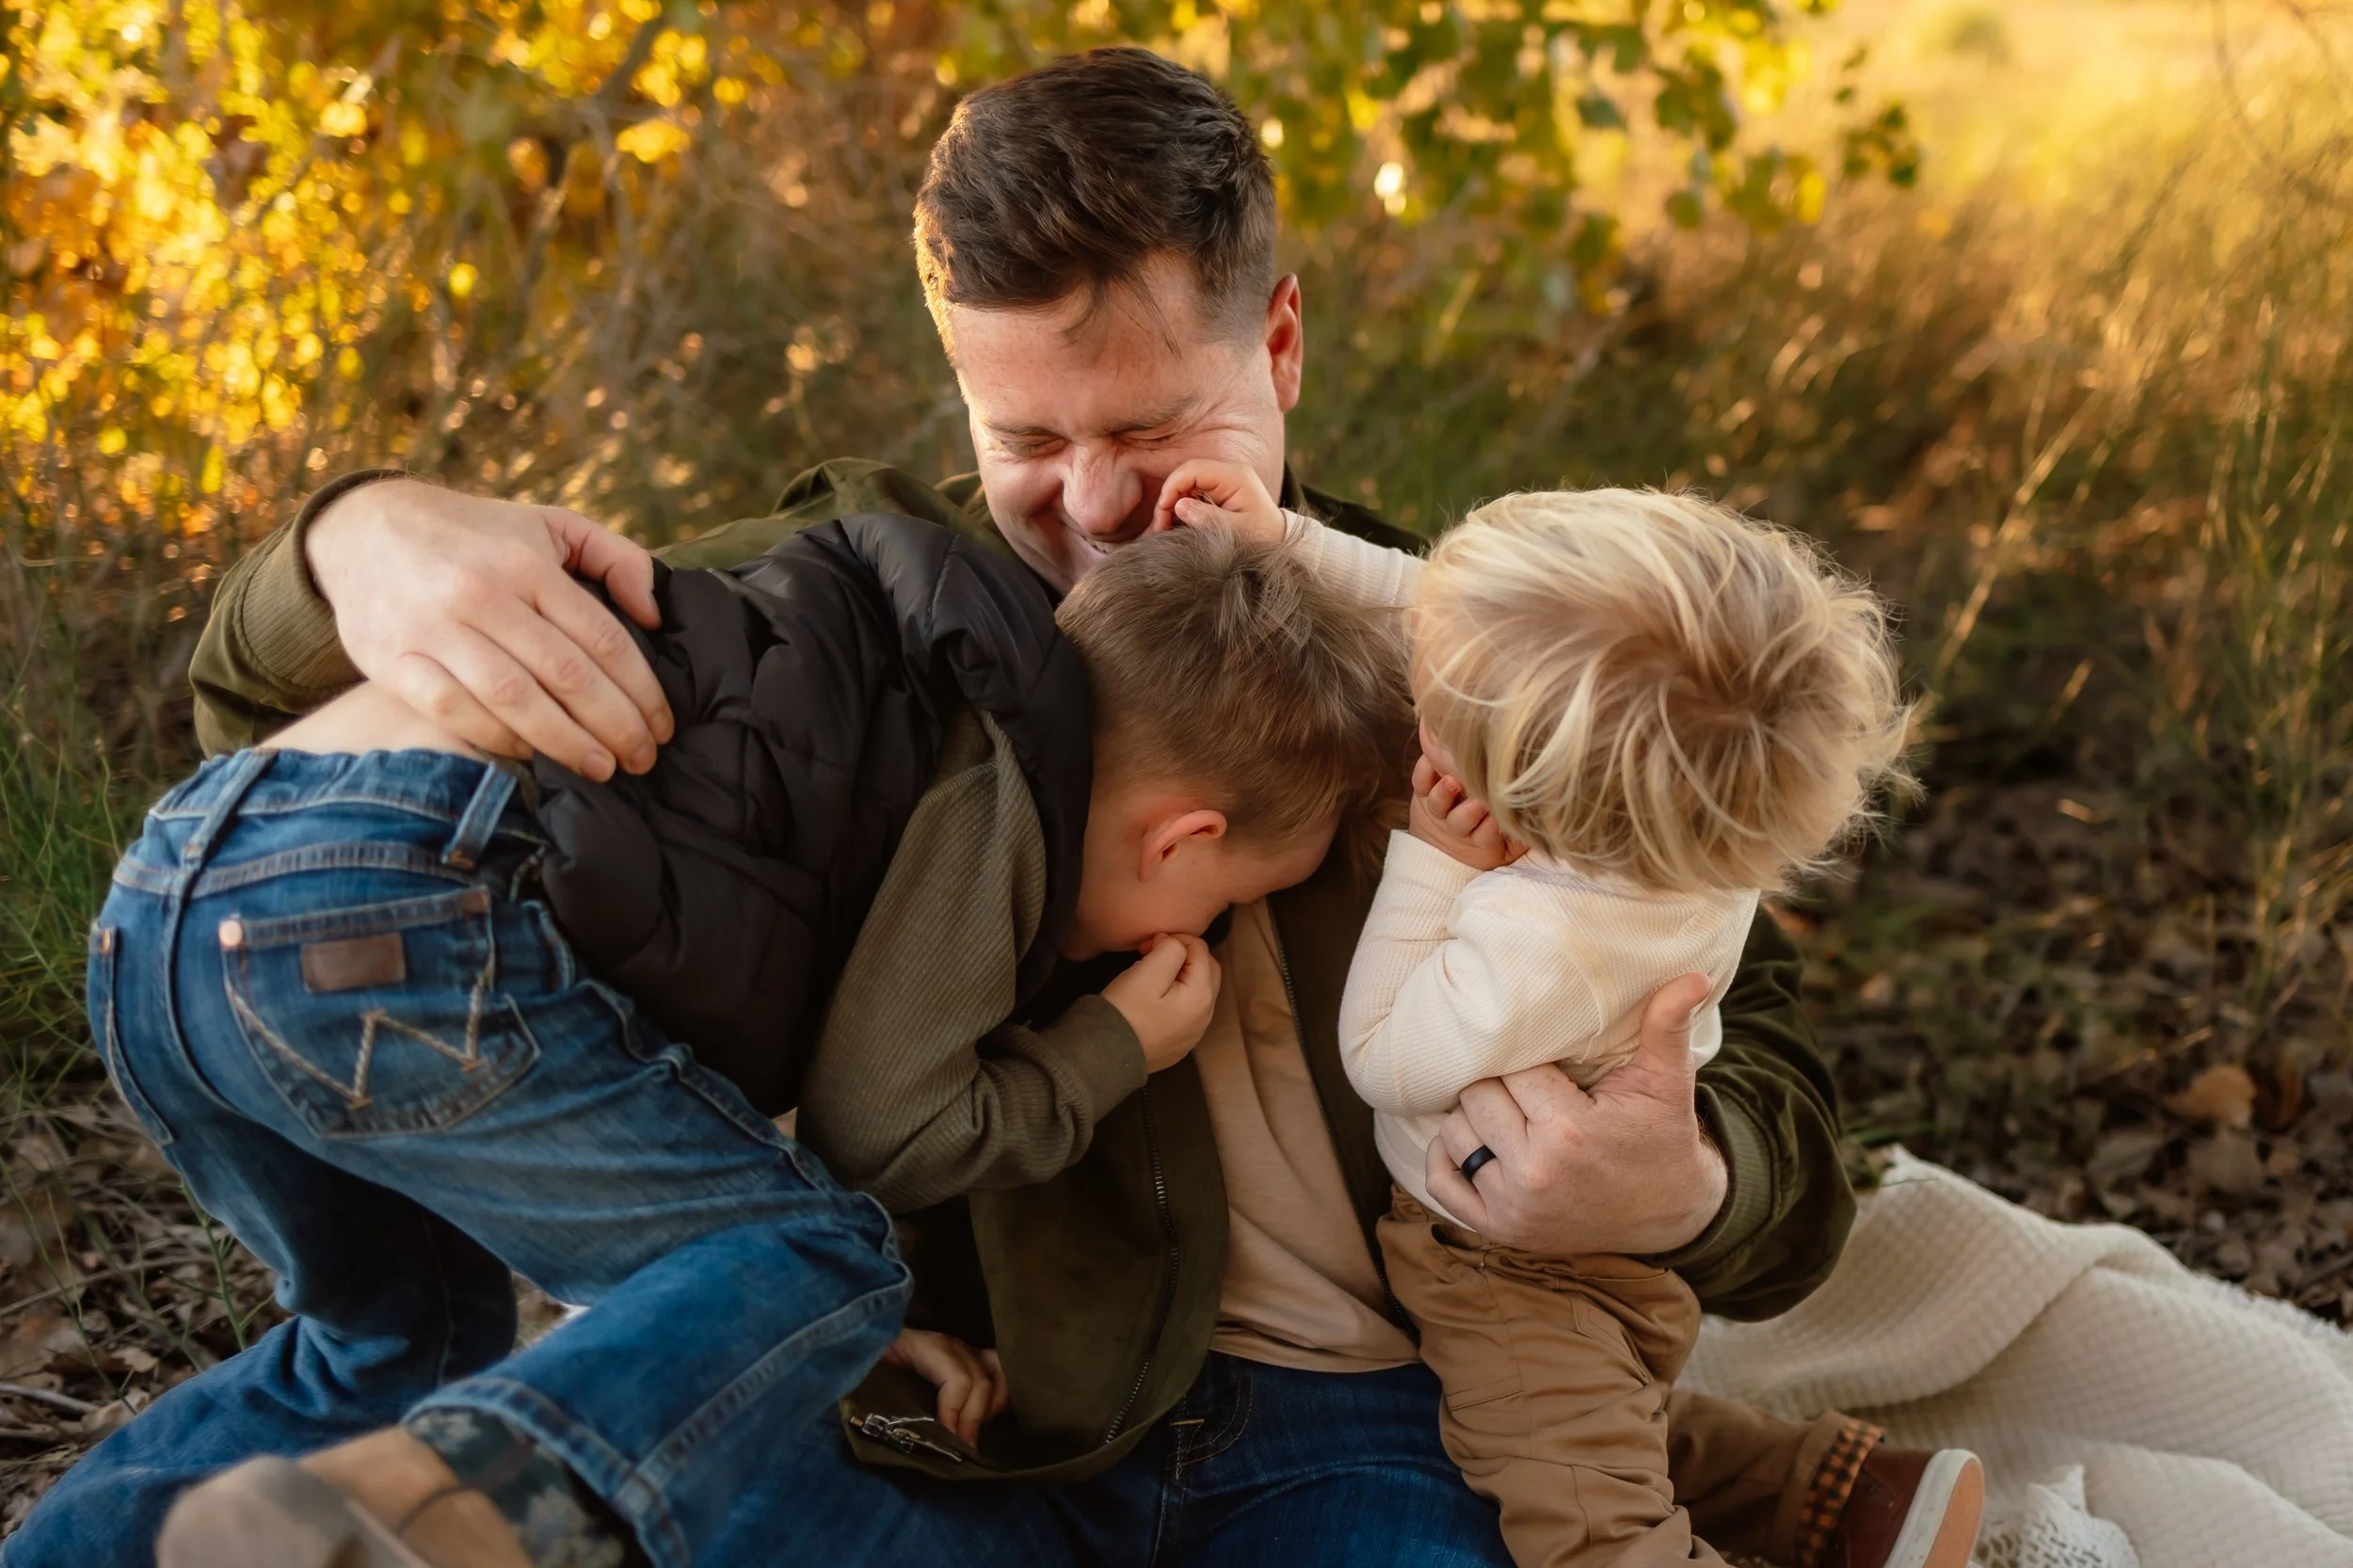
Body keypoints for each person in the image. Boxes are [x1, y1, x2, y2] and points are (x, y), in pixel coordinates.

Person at [93, 43, 1959, 1568]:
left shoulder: (1486, 655)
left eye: (1153, 432)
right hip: (981, 1400)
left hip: (1353, 1410)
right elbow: (287, 748)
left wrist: (1687, 1179)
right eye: (1025, 441)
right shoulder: (884, 603)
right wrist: (353, 534)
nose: (1089, 503)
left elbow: (1763, 1076)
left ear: (1281, 347)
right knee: (570, 1453)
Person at [30, 520, 1405, 1568]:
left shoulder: (889, 638)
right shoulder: (1013, 787)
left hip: (184, 892)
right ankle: (474, 1517)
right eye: (1217, 905)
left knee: (387, 1343)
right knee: (832, 1251)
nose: (1195, 936)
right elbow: (881, 1127)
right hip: (400, 902)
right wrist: (1110, 1041)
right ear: (1184, 837)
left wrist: (769, 1344)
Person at [1160, 463, 1988, 1568]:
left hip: (1510, 1258)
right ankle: (1835, 1496)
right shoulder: (1688, 817)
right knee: (1550, 1421)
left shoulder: (1546, 939)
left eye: (1440, 706)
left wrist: (1435, 865)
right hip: (1556, 1249)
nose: (1421, 676)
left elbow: (1384, 1053)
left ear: (1519, 796)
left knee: (1571, 1502)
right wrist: (1291, 541)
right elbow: (1437, 610)